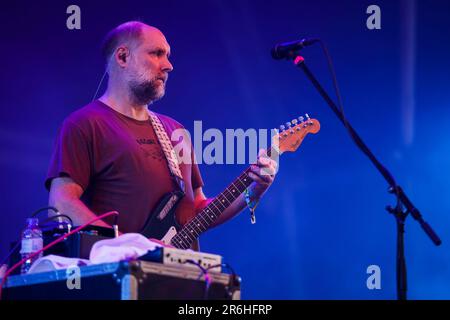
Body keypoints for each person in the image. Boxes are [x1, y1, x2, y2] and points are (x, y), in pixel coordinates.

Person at [46, 21, 277, 250]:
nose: (168, 66)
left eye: (167, 55)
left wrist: (253, 190)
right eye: (157, 54)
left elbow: (195, 210)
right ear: (123, 57)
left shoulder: (176, 132)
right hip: (116, 276)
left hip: (179, 277)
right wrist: (129, 246)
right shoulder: (84, 124)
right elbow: (62, 203)